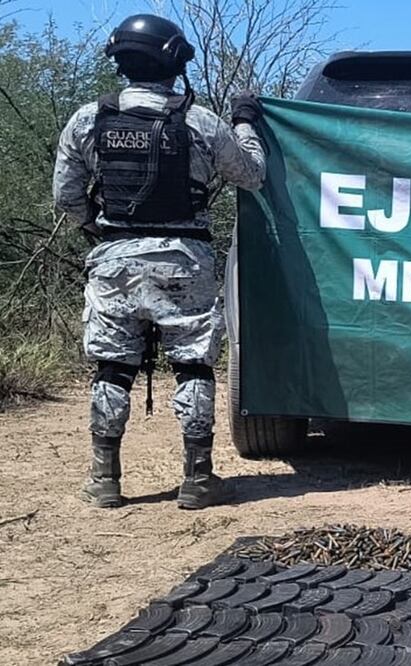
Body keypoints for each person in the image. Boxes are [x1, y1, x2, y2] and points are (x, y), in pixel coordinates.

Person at [52, 14, 266, 510]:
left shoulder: (87, 119)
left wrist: (98, 230)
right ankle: (198, 479)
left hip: (113, 262)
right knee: (193, 365)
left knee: (112, 369)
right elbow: (252, 175)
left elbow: (66, 196)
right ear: (174, 60)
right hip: (183, 261)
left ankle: (105, 479)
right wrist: (246, 121)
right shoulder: (200, 120)